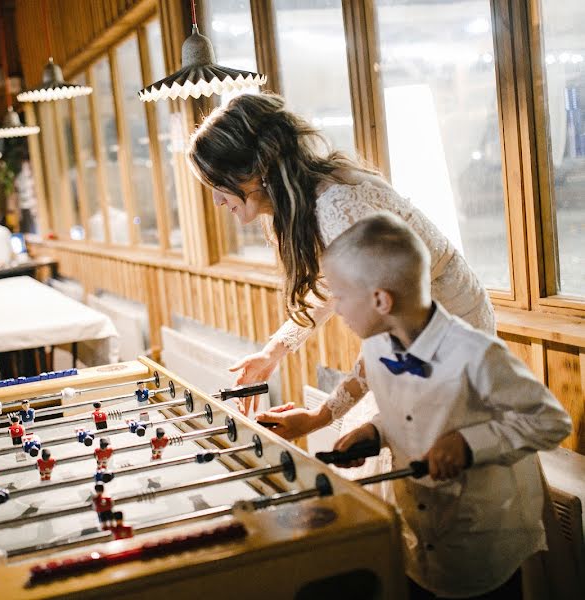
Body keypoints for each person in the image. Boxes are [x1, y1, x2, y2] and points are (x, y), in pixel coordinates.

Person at [187, 92, 495, 439]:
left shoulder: (337, 206)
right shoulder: (308, 201)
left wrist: (317, 418)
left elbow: (389, 336)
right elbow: (333, 286)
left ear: (257, 172)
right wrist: (274, 352)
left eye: (219, 183)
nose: (215, 199)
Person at [320, 213, 571, 599]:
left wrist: (471, 444)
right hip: (416, 541)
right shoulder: (375, 346)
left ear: (380, 300)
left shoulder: (476, 354)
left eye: (339, 296)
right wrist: (376, 431)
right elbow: (404, 409)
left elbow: (551, 422)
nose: (336, 310)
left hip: (479, 547)